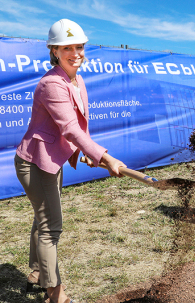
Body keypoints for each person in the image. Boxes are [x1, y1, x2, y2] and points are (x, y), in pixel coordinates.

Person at [14, 19, 126, 303]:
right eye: (67, 48)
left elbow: (79, 128)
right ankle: (56, 294)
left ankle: (37, 274)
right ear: (54, 51)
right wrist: (104, 155)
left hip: (52, 160)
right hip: (35, 163)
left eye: (79, 46)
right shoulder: (52, 84)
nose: (76, 53)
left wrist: (86, 153)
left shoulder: (76, 79)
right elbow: (69, 129)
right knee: (51, 226)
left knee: (44, 219)